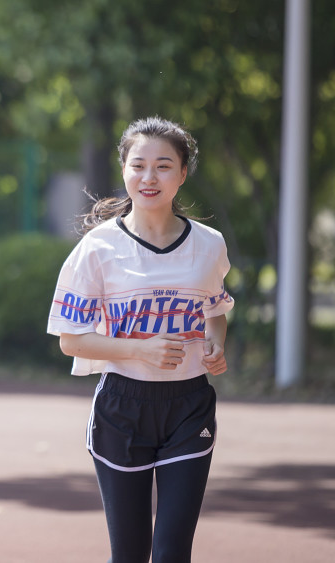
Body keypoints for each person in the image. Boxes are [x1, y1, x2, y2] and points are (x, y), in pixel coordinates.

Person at [47, 116, 233, 563]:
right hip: (122, 410)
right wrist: (139, 349)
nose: (149, 177)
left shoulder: (209, 244)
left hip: (189, 405)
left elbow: (215, 311)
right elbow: (71, 341)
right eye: (139, 165)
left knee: (172, 552)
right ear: (124, 170)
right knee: (130, 553)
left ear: (182, 173)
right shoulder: (97, 248)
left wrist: (216, 343)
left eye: (163, 166)